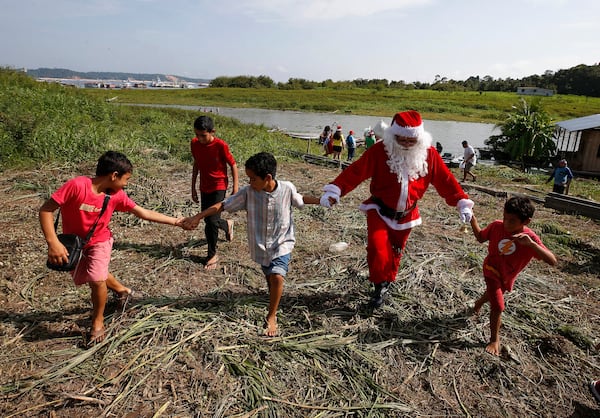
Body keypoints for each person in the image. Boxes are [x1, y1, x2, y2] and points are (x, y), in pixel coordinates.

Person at [320, 110, 474, 308]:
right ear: (393, 135)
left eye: (412, 141)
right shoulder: (379, 151)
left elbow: (446, 180)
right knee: (377, 247)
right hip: (379, 209)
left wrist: (461, 202)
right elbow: (356, 171)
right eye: (402, 140)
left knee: (396, 251)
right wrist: (335, 190)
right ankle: (378, 285)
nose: (407, 144)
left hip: (408, 214)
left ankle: (387, 281)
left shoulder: (430, 155)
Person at [39, 151, 189, 345]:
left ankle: (97, 322)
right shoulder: (77, 186)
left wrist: (177, 221)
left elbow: (143, 213)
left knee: (96, 279)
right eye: (126, 179)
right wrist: (53, 242)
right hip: (75, 243)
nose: (126, 184)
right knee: (95, 273)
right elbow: (46, 209)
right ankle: (122, 291)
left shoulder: (117, 196)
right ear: (114, 175)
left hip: (100, 241)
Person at [184, 152, 320, 336]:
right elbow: (223, 205)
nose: (250, 182)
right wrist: (198, 216)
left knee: (277, 276)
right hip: (261, 245)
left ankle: (271, 316)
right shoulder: (248, 193)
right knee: (270, 275)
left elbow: (301, 199)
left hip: (283, 242)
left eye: (253, 179)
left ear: (268, 178)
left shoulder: (287, 188)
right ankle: (272, 295)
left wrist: (322, 201)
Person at [469, 196, 557, 356]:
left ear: (526, 222)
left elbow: (552, 261)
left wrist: (531, 244)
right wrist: (472, 220)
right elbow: (481, 237)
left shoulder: (529, 238)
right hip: (491, 269)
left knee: (493, 295)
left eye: (512, 220)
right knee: (498, 306)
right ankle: (494, 339)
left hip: (507, 275)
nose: (506, 223)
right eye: (505, 218)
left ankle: (479, 302)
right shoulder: (497, 227)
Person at [190, 115, 239, 270]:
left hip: (219, 185)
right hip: (204, 186)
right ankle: (226, 224)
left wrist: (235, 187)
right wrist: (193, 186)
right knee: (209, 220)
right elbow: (196, 164)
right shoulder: (195, 143)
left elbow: (233, 164)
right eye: (197, 135)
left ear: (212, 132)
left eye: (203, 136)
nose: (200, 139)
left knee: (210, 221)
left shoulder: (220, 145)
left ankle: (212, 255)